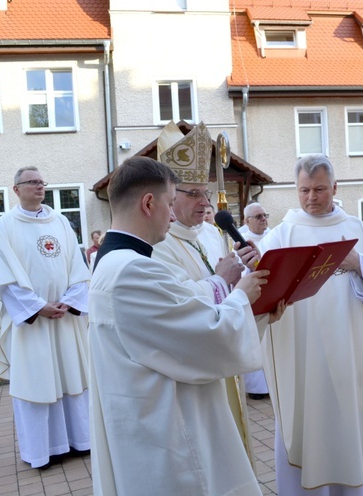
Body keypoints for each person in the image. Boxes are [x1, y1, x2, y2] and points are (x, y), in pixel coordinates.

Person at [89, 155, 283, 495]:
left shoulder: (116, 261)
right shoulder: (134, 270)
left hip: (147, 413)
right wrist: (242, 296)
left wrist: (253, 311)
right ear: (149, 204)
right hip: (166, 428)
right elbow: (203, 337)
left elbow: (179, 315)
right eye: (169, 202)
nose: (172, 213)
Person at [257, 154, 363, 495]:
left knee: (354, 411)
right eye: (304, 190)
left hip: (352, 348)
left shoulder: (358, 229)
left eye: (319, 189)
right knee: (310, 419)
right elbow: (259, 282)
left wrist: (359, 264)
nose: (311, 197)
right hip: (302, 351)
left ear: (334, 187)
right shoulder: (282, 233)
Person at [151, 121, 261, 467]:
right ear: (169, 197)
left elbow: (229, 291)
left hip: (223, 359)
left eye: (207, 193)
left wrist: (247, 276)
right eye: (193, 193)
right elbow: (173, 310)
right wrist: (222, 280)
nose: (204, 202)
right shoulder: (157, 245)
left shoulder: (212, 234)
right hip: (194, 372)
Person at [0, 166, 90, 469]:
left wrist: (70, 302)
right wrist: (37, 306)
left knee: (72, 375)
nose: (39, 187)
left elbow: (78, 266)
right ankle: (43, 451)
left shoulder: (60, 221)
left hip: (65, 318)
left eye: (41, 182)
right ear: (16, 189)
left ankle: (79, 440)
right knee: (37, 382)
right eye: (31, 182)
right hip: (32, 323)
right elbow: (2, 277)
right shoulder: (3, 226)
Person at [241, 202, 270, 399]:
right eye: (258, 216)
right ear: (246, 221)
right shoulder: (241, 243)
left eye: (264, 215)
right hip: (252, 297)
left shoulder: (274, 236)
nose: (263, 219)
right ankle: (256, 389)